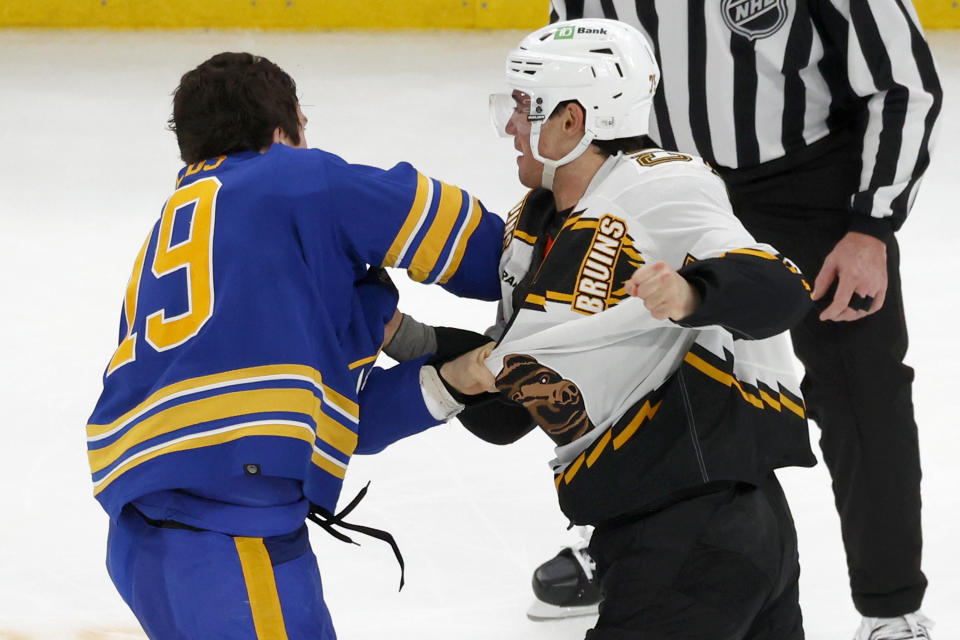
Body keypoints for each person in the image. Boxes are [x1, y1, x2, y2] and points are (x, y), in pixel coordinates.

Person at [533, 3, 943, 638]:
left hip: (812, 188)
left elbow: (903, 83)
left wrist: (872, 226)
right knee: (616, 369)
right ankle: (617, 548)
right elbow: (578, 65)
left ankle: (891, 606)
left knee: (860, 387)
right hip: (657, 183)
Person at [399, 18, 815, 638]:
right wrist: (406, 337)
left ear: (572, 121)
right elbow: (511, 409)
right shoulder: (533, 227)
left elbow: (781, 290)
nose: (511, 126)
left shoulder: (661, 186)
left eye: (522, 107)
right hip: (673, 538)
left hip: (693, 532)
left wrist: (692, 291)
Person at [84, 52, 504, 640]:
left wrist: (448, 382)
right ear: (283, 134)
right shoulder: (293, 179)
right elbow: (479, 251)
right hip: (226, 541)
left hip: (152, 537)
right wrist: (551, 254)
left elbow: (312, 422)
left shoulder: (184, 231)